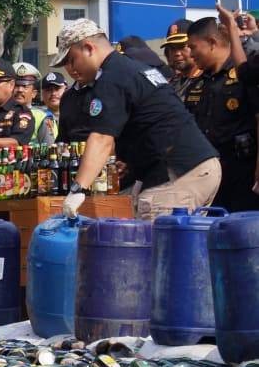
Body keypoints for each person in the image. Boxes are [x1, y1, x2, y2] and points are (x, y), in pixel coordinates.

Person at [53, 19, 220, 220]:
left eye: (71, 60)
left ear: (89, 48)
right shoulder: (132, 69)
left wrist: (77, 189)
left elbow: (101, 139)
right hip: (198, 167)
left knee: (155, 247)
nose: (70, 69)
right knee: (185, 245)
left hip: (177, 172)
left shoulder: (111, 77)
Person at [183, 16, 259, 212]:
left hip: (244, 174)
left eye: (193, 47)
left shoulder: (245, 73)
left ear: (212, 43)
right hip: (209, 177)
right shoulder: (197, 83)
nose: (190, 54)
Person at [12, 62, 56, 145]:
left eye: (25, 86)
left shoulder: (43, 116)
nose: (20, 90)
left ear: (34, 93)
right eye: (16, 85)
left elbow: (50, 147)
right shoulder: (2, 113)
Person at [162, 19, 199, 99]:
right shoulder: (172, 83)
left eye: (181, 47)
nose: (177, 53)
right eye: (172, 48)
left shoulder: (206, 81)